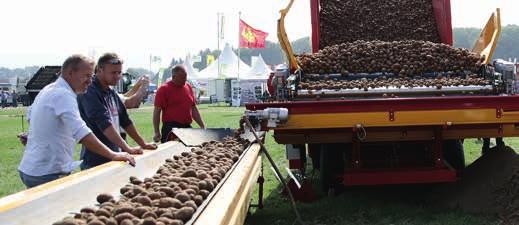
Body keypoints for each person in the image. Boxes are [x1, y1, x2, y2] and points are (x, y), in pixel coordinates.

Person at [17, 54, 136, 188]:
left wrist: (39, 136)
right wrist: (113, 154)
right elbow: (82, 133)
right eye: (86, 76)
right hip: (48, 171)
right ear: (71, 73)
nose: (90, 81)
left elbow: (32, 117)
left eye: (91, 76)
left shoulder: (48, 89)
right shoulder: (63, 95)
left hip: (33, 168)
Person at [78, 53, 157, 170]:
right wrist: (127, 148)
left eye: (119, 72)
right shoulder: (90, 92)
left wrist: (142, 143)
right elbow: (104, 124)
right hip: (96, 160)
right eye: (113, 73)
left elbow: (125, 120)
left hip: (115, 155)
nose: (117, 76)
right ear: (99, 70)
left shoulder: (110, 92)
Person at [153, 65, 205, 143]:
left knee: (191, 149)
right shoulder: (164, 89)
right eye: (182, 77)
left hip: (187, 126)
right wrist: (157, 132)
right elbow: (157, 112)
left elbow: (193, 108)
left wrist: (202, 125)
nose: (185, 79)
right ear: (174, 76)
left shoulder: (188, 87)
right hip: (171, 128)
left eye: (185, 76)